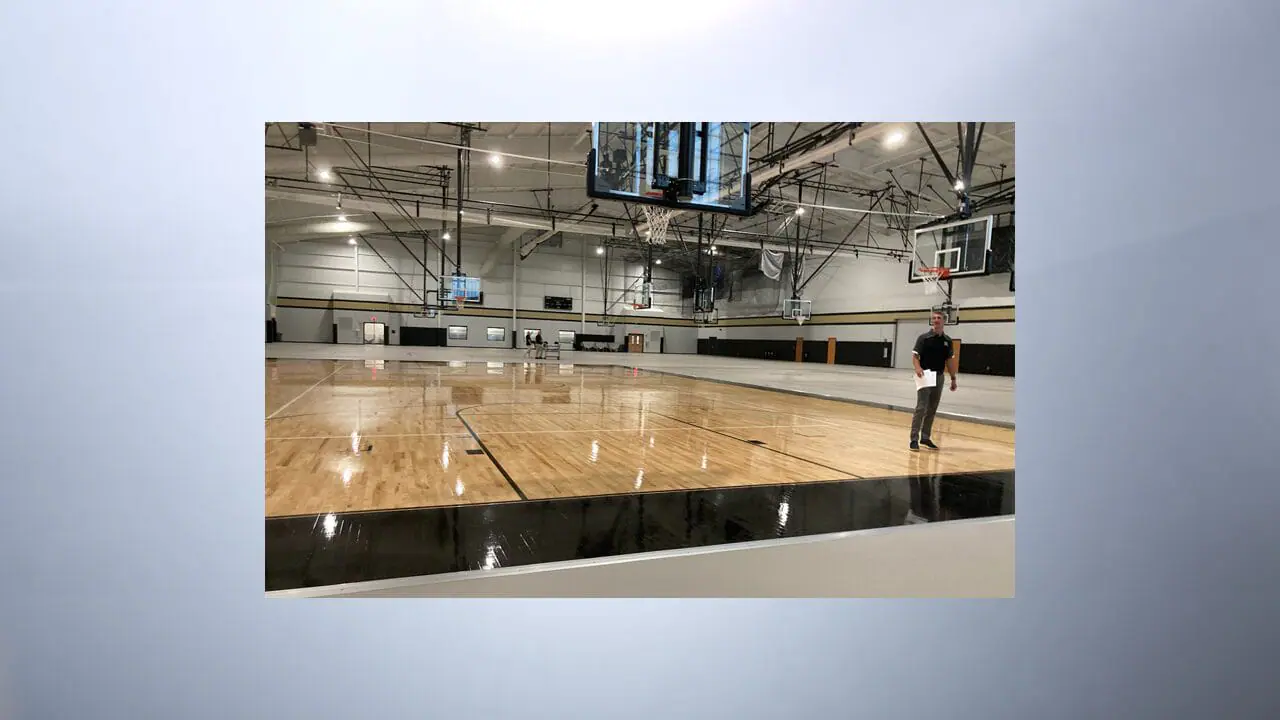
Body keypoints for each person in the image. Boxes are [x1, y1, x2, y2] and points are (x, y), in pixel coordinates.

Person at [910, 311, 958, 451]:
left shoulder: (947, 341)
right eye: (934, 318)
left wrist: (953, 379)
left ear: (944, 321)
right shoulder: (923, 338)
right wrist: (918, 368)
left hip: (939, 376)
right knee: (921, 408)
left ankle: (925, 437)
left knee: (932, 408)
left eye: (939, 318)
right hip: (925, 375)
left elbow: (949, 361)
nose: (936, 320)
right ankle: (913, 439)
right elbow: (915, 356)